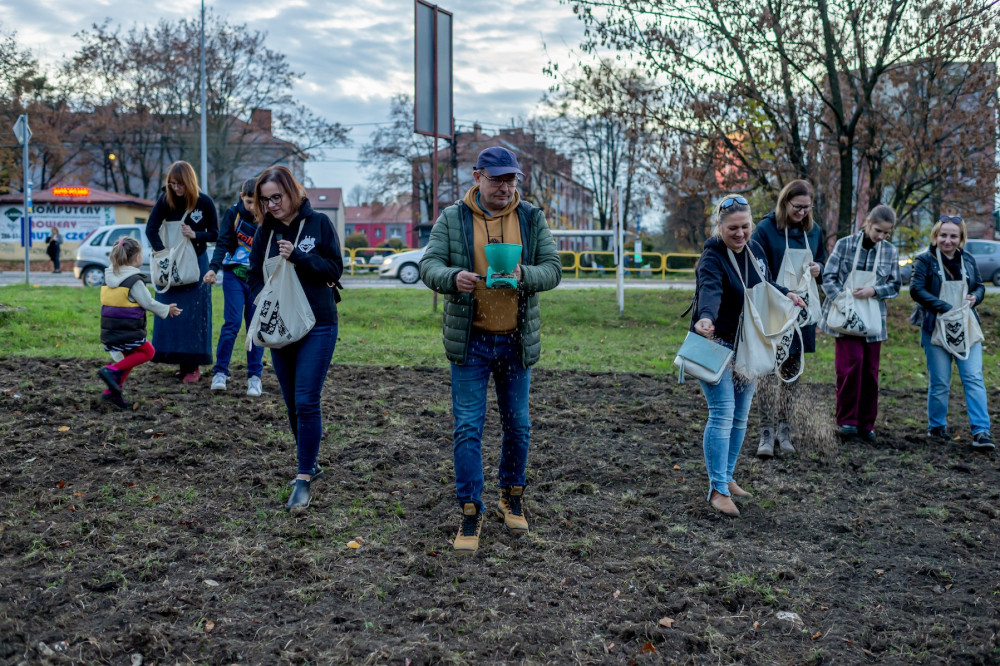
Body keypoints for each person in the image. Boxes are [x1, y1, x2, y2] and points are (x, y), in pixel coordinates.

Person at [419, 146, 563, 554]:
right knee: (468, 427)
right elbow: (429, 265)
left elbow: (553, 268)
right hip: (472, 340)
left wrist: (524, 274)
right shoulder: (453, 218)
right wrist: (453, 278)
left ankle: (511, 496)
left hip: (516, 339)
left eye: (511, 179)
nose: (505, 186)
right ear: (477, 177)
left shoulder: (531, 218)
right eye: (497, 178)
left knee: (518, 425)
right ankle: (470, 511)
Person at [691, 194, 802, 517]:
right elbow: (709, 288)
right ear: (719, 227)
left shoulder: (752, 251)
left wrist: (788, 294)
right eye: (732, 229)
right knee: (723, 412)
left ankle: (726, 477)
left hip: (746, 345)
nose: (740, 234)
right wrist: (705, 317)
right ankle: (717, 490)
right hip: (715, 344)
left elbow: (762, 284)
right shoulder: (713, 256)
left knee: (741, 415)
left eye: (745, 227)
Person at [247, 166, 343, 512]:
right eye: (265, 199)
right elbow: (252, 274)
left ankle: (303, 477)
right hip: (281, 327)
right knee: (291, 402)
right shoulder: (265, 233)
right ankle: (311, 462)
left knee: (306, 399)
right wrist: (262, 300)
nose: (271, 205)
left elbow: (334, 269)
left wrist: (298, 256)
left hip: (318, 322)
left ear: (291, 192)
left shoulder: (317, 224)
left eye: (277, 197)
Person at [750, 180, 826, 458]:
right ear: (784, 203)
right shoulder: (765, 230)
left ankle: (785, 430)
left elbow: (821, 261)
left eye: (807, 208)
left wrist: (819, 268)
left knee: (792, 373)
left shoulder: (814, 231)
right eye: (798, 207)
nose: (803, 212)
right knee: (768, 373)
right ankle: (766, 432)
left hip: (801, 314)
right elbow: (756, 269)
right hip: (773, 311)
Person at [909, 216, 994, 451]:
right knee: (940, 382)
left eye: (953, 236)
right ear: (935, 236)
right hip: (935, 326)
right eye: (943, 235)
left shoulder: (967, 259)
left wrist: (976, 296)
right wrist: (943, 306)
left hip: (966, 327)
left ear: (961, 238)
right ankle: (936, 426)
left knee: (974, 378)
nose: (948, 240)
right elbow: (916, 290)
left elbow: (979, 285)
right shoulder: (924, 260)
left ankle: (981, 431)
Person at [819, 204, 901, 442]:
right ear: (867, 223)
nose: (881, 237)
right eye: (878, 231)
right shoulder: (845, 245)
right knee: (850, 366)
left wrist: (874, 290)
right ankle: (847, 421)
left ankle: (866, 424)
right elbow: (829, 277)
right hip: (846, 317)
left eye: (886, 233)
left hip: (873, 319)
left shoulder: (889, 252)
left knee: (870, 372)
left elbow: (895, 285)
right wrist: (843, 302)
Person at [145, 161, 218, 383]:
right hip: (172, 266)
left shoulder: (204, 202)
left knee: (194, 316)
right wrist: (163, 254)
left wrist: (196, 235)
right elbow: (151, 229)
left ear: (190, 181)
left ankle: (193, 366)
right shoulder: (165, 201)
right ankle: (179, 362)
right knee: (170, 313)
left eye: (180, 184)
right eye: (172, 184)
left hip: (196, 264)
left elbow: (215, 234)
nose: (176, 189)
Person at [97, 237, 181, 409]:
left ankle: (111, 394)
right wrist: (167, 309)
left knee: (129, 359)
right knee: (148, 352)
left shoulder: (109, 277)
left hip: (110, 330)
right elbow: (148, 303)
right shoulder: (133, 280)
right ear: (136, 258)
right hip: (128, 329)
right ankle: (110, 371)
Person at [204, 177, 265, 397]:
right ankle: (220, 373)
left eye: (256, 202)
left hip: (258, 280)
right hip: (233, 276)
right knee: (231, 324)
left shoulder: (266, 216)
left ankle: (254, 377)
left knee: (255, 328)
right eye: (249, 201)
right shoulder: (233, 214)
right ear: (242, 197)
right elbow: (222, 243)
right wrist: (213, 268)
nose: (252, 207)